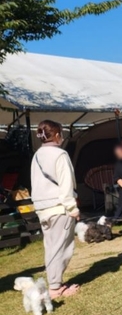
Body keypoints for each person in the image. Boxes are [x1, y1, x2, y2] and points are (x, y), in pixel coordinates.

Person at [30, 120, 80, 299]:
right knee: (61, 248)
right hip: (59, 208)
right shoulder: (60, 154)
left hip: (43, 208)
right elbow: (66, 183)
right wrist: (72, 207)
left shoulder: (37, 155)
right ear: (57, 135)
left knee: (51, 247)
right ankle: (56, 287)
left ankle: (54, 283)